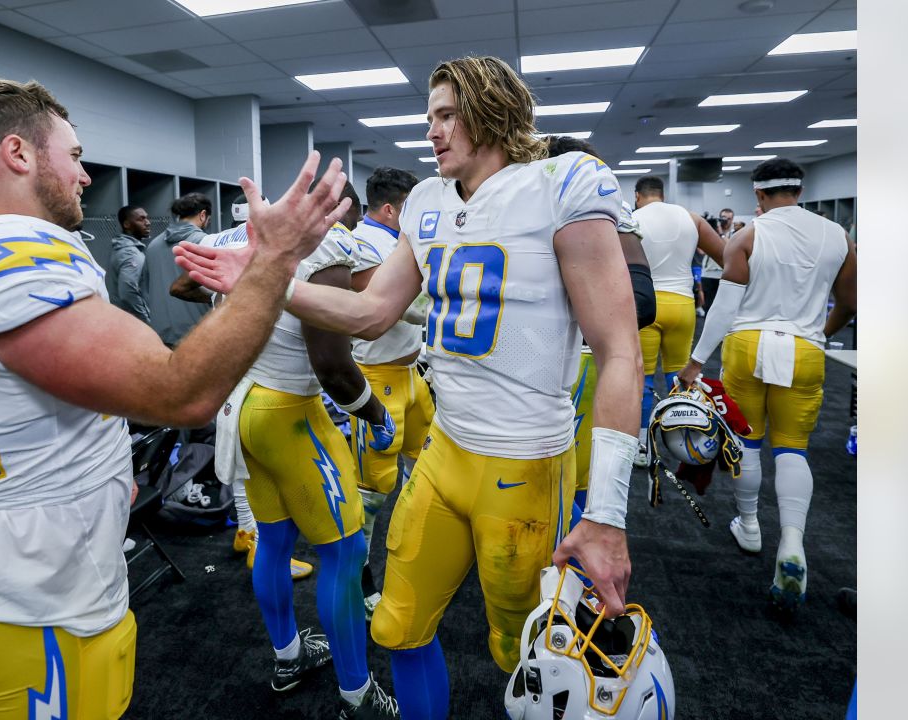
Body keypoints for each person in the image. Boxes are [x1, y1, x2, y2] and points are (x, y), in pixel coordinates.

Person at [175, 56, 643, 720]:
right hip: (445, 453)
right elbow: (370, 314)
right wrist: (268, 281)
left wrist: (609, 514)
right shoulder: (425, 201)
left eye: (446, 115)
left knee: (529, 651)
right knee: (397, 626)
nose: (432, 131)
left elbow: (620, 349)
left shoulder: (562, 182)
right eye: (430, 117)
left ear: (493, 111)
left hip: (525, 462)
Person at [0, 78, 354, 720]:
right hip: (43, 608)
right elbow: (180, 390)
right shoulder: (11, 254)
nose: (83, 176)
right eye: (73, 156)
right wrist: (274, 262)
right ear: (18, 154)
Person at [197, 181, 401, 718]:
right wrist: (375, 414)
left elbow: (189, 285)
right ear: (343, 211)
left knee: (274, 539)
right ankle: (357, 695)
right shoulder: (330, 241)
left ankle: (287, 656)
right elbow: (332, 366)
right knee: (344, 551)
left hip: (244, 405)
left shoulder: (246, 233)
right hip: (289, 411)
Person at [678, 157, 856, 613]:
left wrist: (696, 362)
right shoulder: (838, 237)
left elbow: (723, 308)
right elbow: (851, 303)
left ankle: (750, 524)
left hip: (748, 344)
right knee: (794, 448)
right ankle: (792, 542)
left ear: (759, 195)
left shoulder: (748, 236)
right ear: (799, 189)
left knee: (747, 442)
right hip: (805, 349)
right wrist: (819, 334)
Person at [172, 192, 316, 582]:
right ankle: (258, 539)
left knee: (235, 449)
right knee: (264, 462)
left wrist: (223, 296)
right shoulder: (266, 242)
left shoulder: (215, 239)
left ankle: (244, 531)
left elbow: (179, 288)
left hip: (228, 358)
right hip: (263, 363)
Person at [544, 136, 655, 519]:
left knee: (573, 487)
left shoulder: (599, 208)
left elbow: (642, 302)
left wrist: (578, 308)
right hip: (537, 370)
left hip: (582, 363)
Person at [346, 166, 434, 620]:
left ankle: (418, 558)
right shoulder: (363, 244)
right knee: (374, 492)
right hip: (375, 376)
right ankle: (361, 580)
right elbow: (400, 307)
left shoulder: (398, 242)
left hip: (410, 374)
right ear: (390, 209)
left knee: (427, 473)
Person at [631, 176, 725, 467]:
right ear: (663, 194)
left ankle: (643, 446)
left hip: (646, 305)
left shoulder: (630, 218)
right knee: (680, 375)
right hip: (682, 304)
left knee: (642, 379)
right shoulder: (691, 218)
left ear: (637, 196)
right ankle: (687, 440)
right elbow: (724, 256)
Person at [141, 193, 212, 346]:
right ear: (203, 215)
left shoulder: (153, 245)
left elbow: (144, 289)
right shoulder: (204, 243)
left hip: (161, 337)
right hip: (198, 337)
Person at [107, 204, 150, 322]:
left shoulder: (122, 248)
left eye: (146, 218)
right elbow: (128, 292)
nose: (147, 222)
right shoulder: (130, 253)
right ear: (127, 224)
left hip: (123, 318)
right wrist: (147, 320)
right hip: (132, 321)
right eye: (141, 219)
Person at [701, 207, 735, 311]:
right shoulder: (712, 233)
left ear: (732, 220)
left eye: (728, 219)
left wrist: (721, 234)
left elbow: (731, 248)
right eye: (723, 218)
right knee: (708, 307)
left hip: (724, 275)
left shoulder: (735, 234)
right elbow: (701, 251)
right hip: (708, 274)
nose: (725, 221)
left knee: (724, 308)